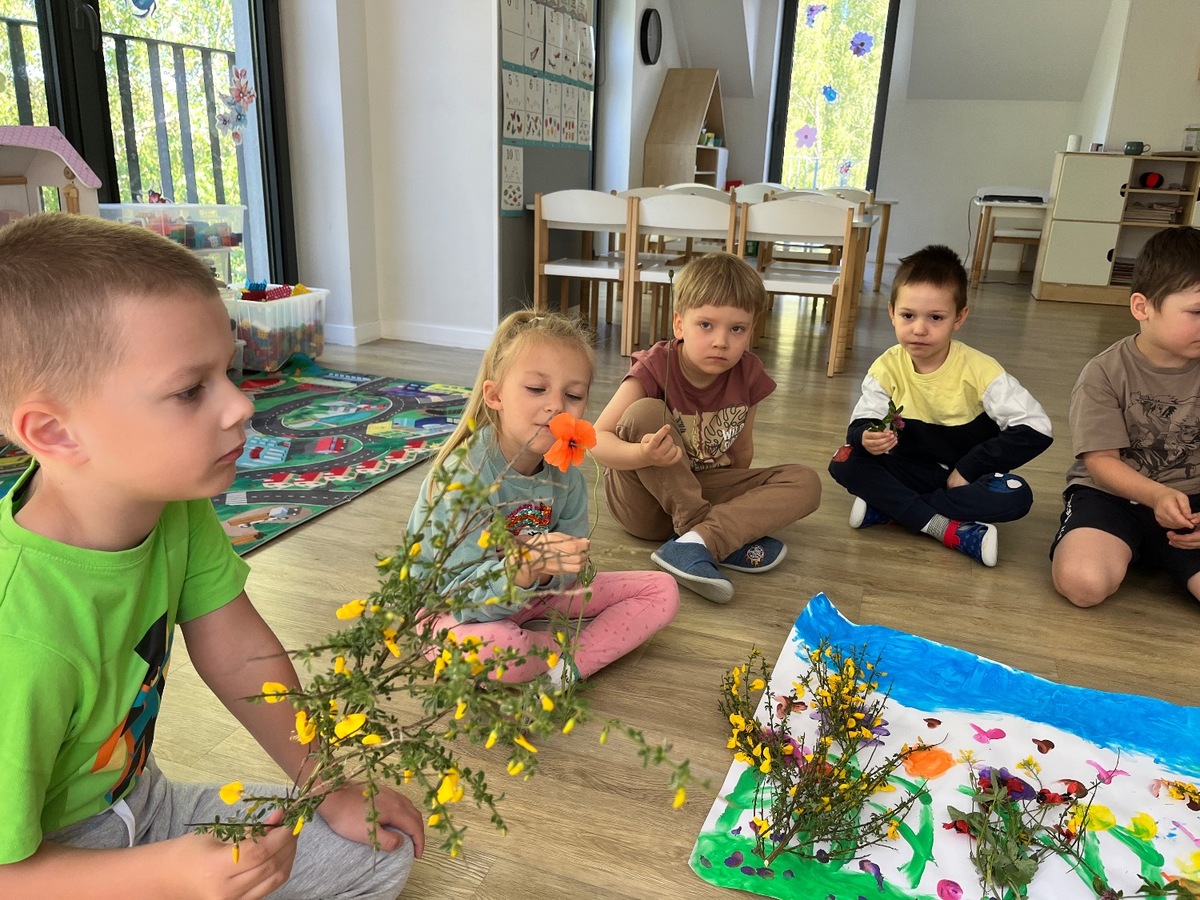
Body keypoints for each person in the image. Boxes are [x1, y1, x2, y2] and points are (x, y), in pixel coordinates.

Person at [0, 214, 423, 897]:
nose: (240, 405)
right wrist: (166, 875)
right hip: (49, 867)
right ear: (55, 432)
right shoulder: (17, 637)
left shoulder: (173, 506)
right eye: (191, 389)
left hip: (146, 807)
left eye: (227, 372)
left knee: (377, 849)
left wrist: (328, 784)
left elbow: (241, 656)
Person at [405, 311, 679, 685]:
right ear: (495, 395)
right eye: (537, 388)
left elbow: (569, 573)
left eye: (573, 395)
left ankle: (563, 667)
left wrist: (547, 568)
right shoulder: (463, 477)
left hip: (534, 595)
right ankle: (572, 652)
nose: (556, 406)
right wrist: (523, 568)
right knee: (496, 648)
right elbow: (460, 597)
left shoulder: (567, 476)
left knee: (661, 589)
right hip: (450, 610)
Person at [592, 251, 822, 604]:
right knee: (645, 413)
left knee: (806, 482)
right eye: (706, 325)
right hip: (645, 505)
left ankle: (699, 540)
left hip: (701, 488)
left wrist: (741, 502)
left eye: (737, 329)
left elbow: (742, 451)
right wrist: (642, 454)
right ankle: (706, 534)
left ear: (751, 331)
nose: (721, 341)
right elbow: (596, 440)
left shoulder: (748, 374)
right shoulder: (655, 367)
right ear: (679, 324)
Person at [828, 244, 1052, 567]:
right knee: (844, 460)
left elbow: (1037, 427)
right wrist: (866, 437)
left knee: (1018, 495)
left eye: (936, 317)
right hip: (912, 471)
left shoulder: (981, 370)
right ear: (892, 312)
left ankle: (891, 507)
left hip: (966, 481)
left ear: (959, 317)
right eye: (908, 316)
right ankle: (943, 527)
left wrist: (969, 467)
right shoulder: (886, 367)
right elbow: (861, 424)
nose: (919, 329)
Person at [1051, 226, 1200, 607]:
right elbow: (1101, 463)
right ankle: (1124, 548)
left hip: (1191, 507)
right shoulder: (1104, 372)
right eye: (1197, 312)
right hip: (1112, 497)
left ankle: (1164, 557)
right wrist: (1157, 496)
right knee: (1083, 583)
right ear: (1142, 307)